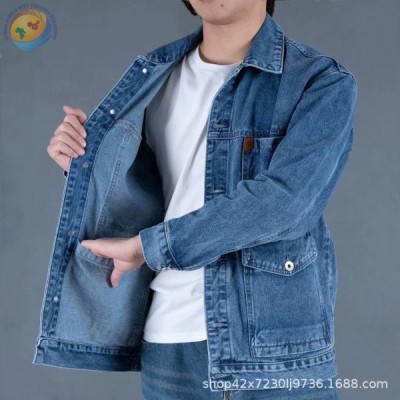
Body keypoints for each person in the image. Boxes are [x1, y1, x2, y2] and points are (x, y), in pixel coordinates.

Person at [46, 1, 356, 398]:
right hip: (167, 344)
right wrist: (85, 164)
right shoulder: (154, 75)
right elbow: (146, 196)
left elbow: (285, 203)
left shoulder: (318, 81)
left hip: (270, 352)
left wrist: (150, 248)